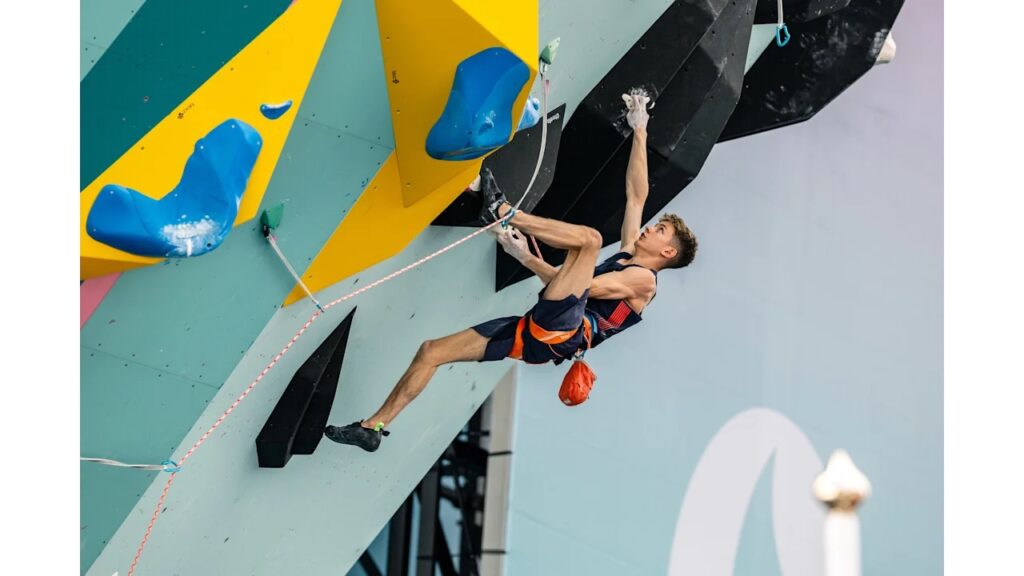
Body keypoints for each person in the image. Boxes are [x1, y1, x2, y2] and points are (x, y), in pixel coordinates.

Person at [325, 92, 698, 451]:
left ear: (667, 252)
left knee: (590, 240)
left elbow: (574, 288)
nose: (650, 227)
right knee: (431, 351)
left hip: (561, 333)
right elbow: (637, 195)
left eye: (660, 230)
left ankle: (504, 209)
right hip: (537, 334)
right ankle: (373, 427)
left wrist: (523, 252)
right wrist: (640, 129)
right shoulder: (631, 254)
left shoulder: (643, 282)